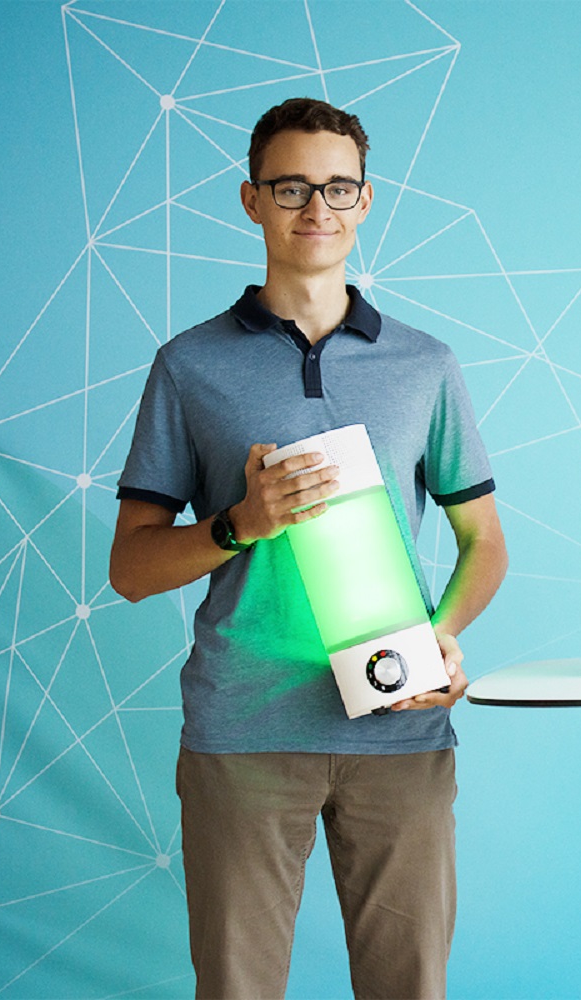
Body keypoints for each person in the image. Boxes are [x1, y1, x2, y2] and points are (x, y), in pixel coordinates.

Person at [110, 97, 508, 999]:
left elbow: (484, 541)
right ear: (251, 199)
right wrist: (237, 524)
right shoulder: (189, 367)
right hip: (244, 729)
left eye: (337, 187)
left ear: (365, 200)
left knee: (409, 987)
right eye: (291, 187)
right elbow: (129, 568)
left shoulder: (425, 365)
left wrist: (441, 637)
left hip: (399, 725)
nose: (316, 207)